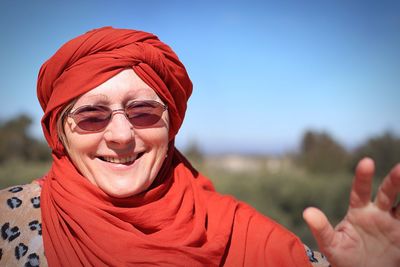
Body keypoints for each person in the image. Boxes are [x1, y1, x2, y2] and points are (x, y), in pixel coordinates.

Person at [0, 26, 399, 267]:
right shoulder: (8, 224)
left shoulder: (235, 231)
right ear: (60, 134)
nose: (121, 136)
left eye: (143, 111)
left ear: (171, 125)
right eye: (91, 116)